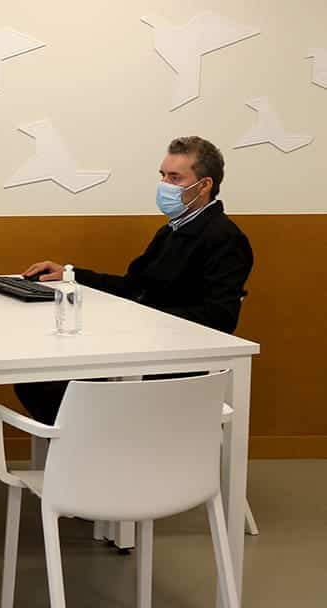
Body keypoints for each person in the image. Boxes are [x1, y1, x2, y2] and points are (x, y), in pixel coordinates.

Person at [16, 136, 254, 424]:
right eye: (162, 175)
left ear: (204, 185)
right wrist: (70, 274)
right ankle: (95, 446)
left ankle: (100, 445)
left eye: (175, 177)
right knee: (35, 383)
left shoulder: (226, 239)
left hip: (170, 366)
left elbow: (220, 317)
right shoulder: (170, 232)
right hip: (140, 352)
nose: (164, 184)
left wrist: (143, 320)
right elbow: (132, 287)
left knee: (44, 387)